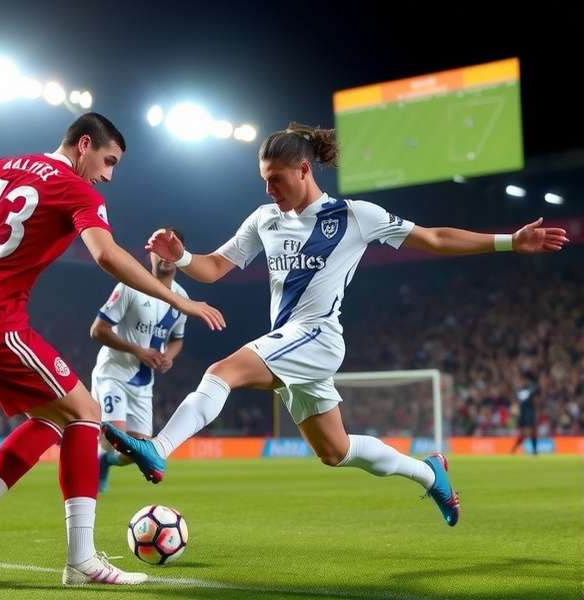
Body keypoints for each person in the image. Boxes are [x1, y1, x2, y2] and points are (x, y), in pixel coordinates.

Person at [104, 122, 569, 528]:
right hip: (290, 344)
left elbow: (434, 238)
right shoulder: (264, 219)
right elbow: (214, 268)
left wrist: (510, 240)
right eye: (264, 181)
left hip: (319, 336)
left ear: (304, 170)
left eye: (276, 180)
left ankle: (159, 448)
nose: (269, 191)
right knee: (336, 452)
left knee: (221, 372)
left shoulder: (354, 216)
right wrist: (180, 257)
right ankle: (431, 473)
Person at [0, 112, 224, 586]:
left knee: (55, 418)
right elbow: (106, 254)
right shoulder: (77, 189)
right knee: (87, 413)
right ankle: (81, 561)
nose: (108, 175)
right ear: (84, 144)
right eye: (108, 161)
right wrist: (178, 300)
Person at [89, 236, 187, 492]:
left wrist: (169, 357)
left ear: (179, 255)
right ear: (150, 255)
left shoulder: (181, 298)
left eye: (170, 250)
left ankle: (105, 461)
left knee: (137, 451)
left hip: (143, 384)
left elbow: (177, 339)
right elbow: (98, 330)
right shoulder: (130, 287)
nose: (165, 256)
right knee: (114, 436)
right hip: (114, 373)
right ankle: (100, 456)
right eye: (159, 250)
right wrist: (139, 351)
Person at [511, 373, 539, 455]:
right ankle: (515, 448)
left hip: (529, 412)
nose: (521, 382)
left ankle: (534, 450)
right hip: (522, 413)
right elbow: (518, 400)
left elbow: (534, 390)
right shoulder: (519, 390)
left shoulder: (530, 389)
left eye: (522, 380)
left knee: (532, 431)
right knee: (523, 433)